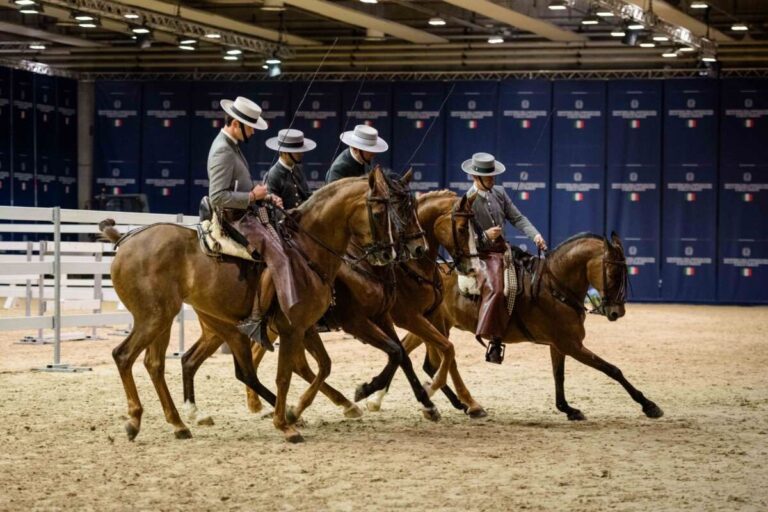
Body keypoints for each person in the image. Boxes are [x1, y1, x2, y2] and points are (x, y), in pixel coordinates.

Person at [207, 96, 304, 350]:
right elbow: (218, 196)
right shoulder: (222, 150)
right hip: (235, 219)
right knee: (280, 255)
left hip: (246, 212)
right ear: (237, 124)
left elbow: (238, 185)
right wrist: (252, 197)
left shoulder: (232, 146)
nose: (253, 132)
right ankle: (258, 318)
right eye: (250, 127)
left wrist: (265, 196)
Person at [461, 152, 547, 364]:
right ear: (475, 177)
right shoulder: (467, 202)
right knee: (499, 289)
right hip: (483, 253)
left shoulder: (499, 192)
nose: (493, 180)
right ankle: (493, 338)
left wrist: (535, 235)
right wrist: (484, 236)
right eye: (488, 177)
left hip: (504, 249)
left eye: (493, 176)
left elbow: (517, 218)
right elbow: (465, 237)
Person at [264, 128, 316, 210]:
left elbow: (307, 194)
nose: (301, 154)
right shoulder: (273, 175)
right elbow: (274, 210)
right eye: (297, 151)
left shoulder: (297, 168)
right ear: (284, 152)